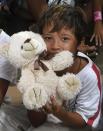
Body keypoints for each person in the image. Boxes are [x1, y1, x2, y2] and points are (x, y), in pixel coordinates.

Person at [27, 3, 102, 131]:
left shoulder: (89, 75)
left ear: (79, 43)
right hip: (49, 120)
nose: (55, 46)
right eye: (48, 38)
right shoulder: (39, 67)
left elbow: (84, 123)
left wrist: (58, 112)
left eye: (65, 38)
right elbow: (35, 122)